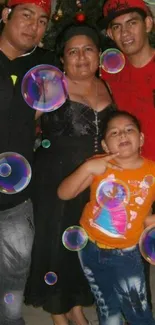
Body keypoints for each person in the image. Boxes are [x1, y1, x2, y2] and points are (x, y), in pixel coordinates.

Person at [24, 23, 117, 325]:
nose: (81, 57)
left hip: (92, 180)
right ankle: (57, 312)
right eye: (72, 51)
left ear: (98, 55)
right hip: (54, 176)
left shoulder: (105, 85)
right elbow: (21, 124)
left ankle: (75, 304)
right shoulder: (53, 84)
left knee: (80, 241)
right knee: (53, 243)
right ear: (62, 58)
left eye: (88, 49)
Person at [58, 110, 155, 325]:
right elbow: (64, 193)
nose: (122, 134)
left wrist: (150, 221)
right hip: (90, 248)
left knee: (137, 309)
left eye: (129, 130)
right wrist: (87, 167)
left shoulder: (152, 172)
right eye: (114, 132)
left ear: (141, 139)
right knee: (106, 304)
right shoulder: (98, 164)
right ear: (104, 146)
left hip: (127, 255)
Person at [100, 0, 155, 309]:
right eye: (117, 27)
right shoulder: (110, 76)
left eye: (132, 22)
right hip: (131, 180)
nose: (125, 32)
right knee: (135, 265)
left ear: (148, 24)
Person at [0, 0, 51, 324]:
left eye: (43, 20)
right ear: (5, 15)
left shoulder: (42, 69)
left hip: (16, 199)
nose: (34, 25)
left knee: (14, 284)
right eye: (26, 15)